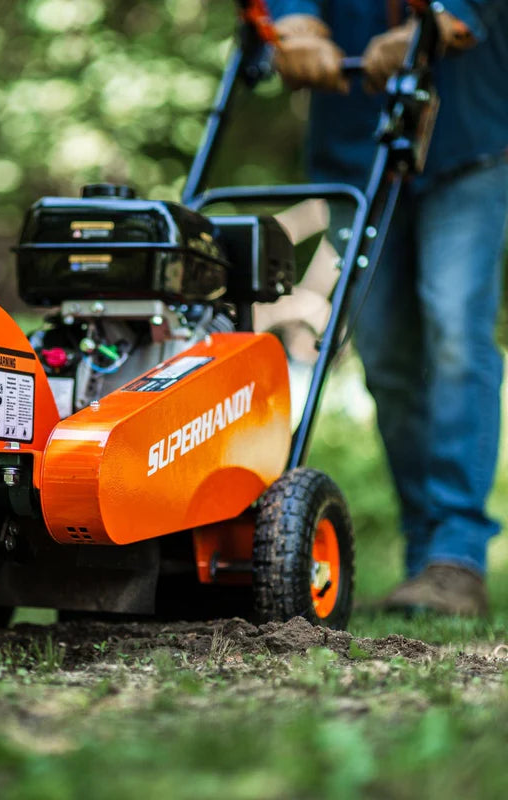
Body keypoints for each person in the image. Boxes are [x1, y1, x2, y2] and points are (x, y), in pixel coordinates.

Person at [266, 0, 508, 616]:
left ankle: (457, 556)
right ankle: (423, 548)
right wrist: (293, 20)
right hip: (355, 144)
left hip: (467, 135)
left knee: (455, 330)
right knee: (383, 351)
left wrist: (438, 22)